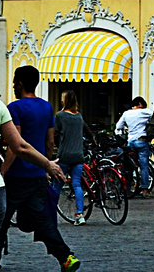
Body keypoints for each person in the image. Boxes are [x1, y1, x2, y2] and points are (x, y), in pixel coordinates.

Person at [2, 65, 78, 270]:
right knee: (42, 220)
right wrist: (46, 165)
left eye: (14, 82)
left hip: (16, 175)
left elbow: (14, 145)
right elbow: (50, 141)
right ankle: (66, 257)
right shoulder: (46, 107)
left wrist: (3, 172)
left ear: (19, 83)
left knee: (0, 220)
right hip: (36, 173)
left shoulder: (14, 108)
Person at [114, 95, 154, 195]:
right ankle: (145, 189)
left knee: (128, 167)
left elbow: (118, 127)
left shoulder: (126, 114)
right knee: (144, 166)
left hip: (130, 142)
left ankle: (127, 188)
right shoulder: (145, 112)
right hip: (141, 141)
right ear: (140, 104)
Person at [54, 91, 89, 224]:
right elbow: (88, 131)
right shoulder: (79, 116)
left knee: (57, 185)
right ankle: (80, 215)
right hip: (78, 155)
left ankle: (51, 212)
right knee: (76, 184)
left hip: (64, 155)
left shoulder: (60, 116)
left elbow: (55, 134)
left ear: (65, 101)